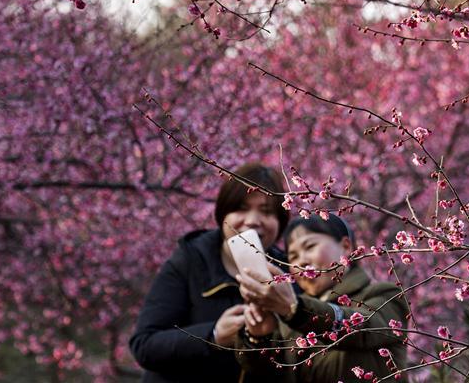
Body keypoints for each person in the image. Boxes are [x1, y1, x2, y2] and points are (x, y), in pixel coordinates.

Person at [129, 163, 290, 383]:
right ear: (223, 214)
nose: (253, 220)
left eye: (267, 211)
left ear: (280, 222)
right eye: (241, 208)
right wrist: (213, 335)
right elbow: (145, 345)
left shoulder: (288, 276)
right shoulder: (190, 261)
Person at [236, 214, 408, 382]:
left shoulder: (386, 295)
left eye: (310, 246)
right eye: (293, 256)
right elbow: (269, 373)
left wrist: (296, 309)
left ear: (346, 247)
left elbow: (363, 329)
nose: (301, 261)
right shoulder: (286, 318)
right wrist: (258, 338)